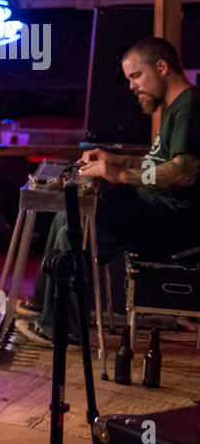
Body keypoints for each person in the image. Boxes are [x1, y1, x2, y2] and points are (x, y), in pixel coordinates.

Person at [18, 37, 200, 344]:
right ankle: (43, 306)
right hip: (157, 209)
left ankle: (65, 330)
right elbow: (157, 162)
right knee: (67, 217)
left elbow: (184, 171)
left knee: (76, 230)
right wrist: (115, 159)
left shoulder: (191, 106)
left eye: (135, 76)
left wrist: (120, 174)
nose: (131, 86)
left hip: (174, 220)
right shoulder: (175, 108)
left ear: (161, 66)